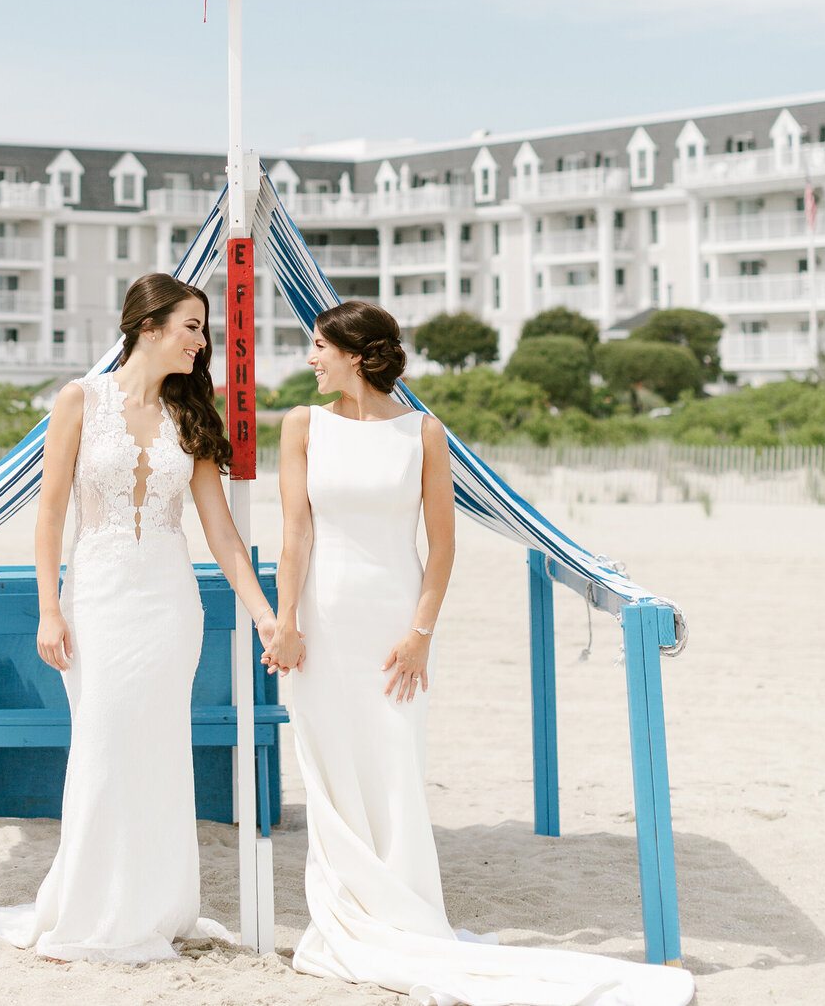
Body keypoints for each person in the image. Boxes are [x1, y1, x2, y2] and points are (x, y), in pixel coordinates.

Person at [266, 301, 694, 1006]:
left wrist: (419, 632)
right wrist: (286, 621)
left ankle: (400, 907)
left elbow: (443, 543)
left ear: (360, 353)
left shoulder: (425, 434)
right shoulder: (301, 426)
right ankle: (345, 910)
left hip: (394, 620)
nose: (309, 358)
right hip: (322, 619)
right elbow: (294, 537)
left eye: (318, 346)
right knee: (331, 768)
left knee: (394, 761)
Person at [0, 273, 289, 962]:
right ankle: (89, 907)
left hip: (170, 602)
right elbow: (50, 509)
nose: (203, 342)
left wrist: (264, 612)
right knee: (104, 744)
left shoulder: (190, 415)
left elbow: (222, 533)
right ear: (148, 325)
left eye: (204, 328)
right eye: (192, 326)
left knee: (159, 750)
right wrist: (49, 607)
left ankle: (154, 905)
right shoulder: (80, 400)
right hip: (98, 597)